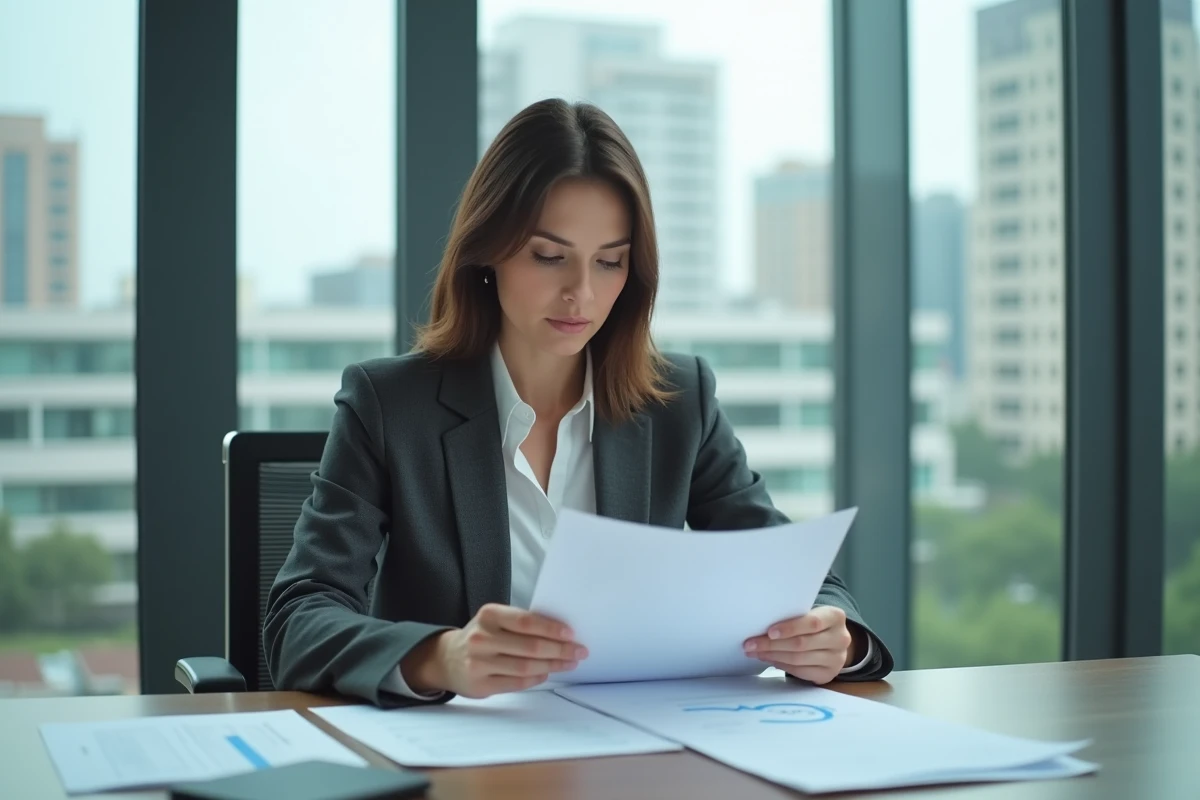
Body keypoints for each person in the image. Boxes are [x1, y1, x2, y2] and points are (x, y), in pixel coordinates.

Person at [263, 98, 894, 707]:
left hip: (634, 754)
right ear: (488, 251)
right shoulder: (389, 406)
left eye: (610, 262)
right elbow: (300, 617)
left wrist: (839, 639)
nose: (581, 295)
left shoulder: (679, 401)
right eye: (549, 256)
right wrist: (444, 657)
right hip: (463, 762)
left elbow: (787, 573)